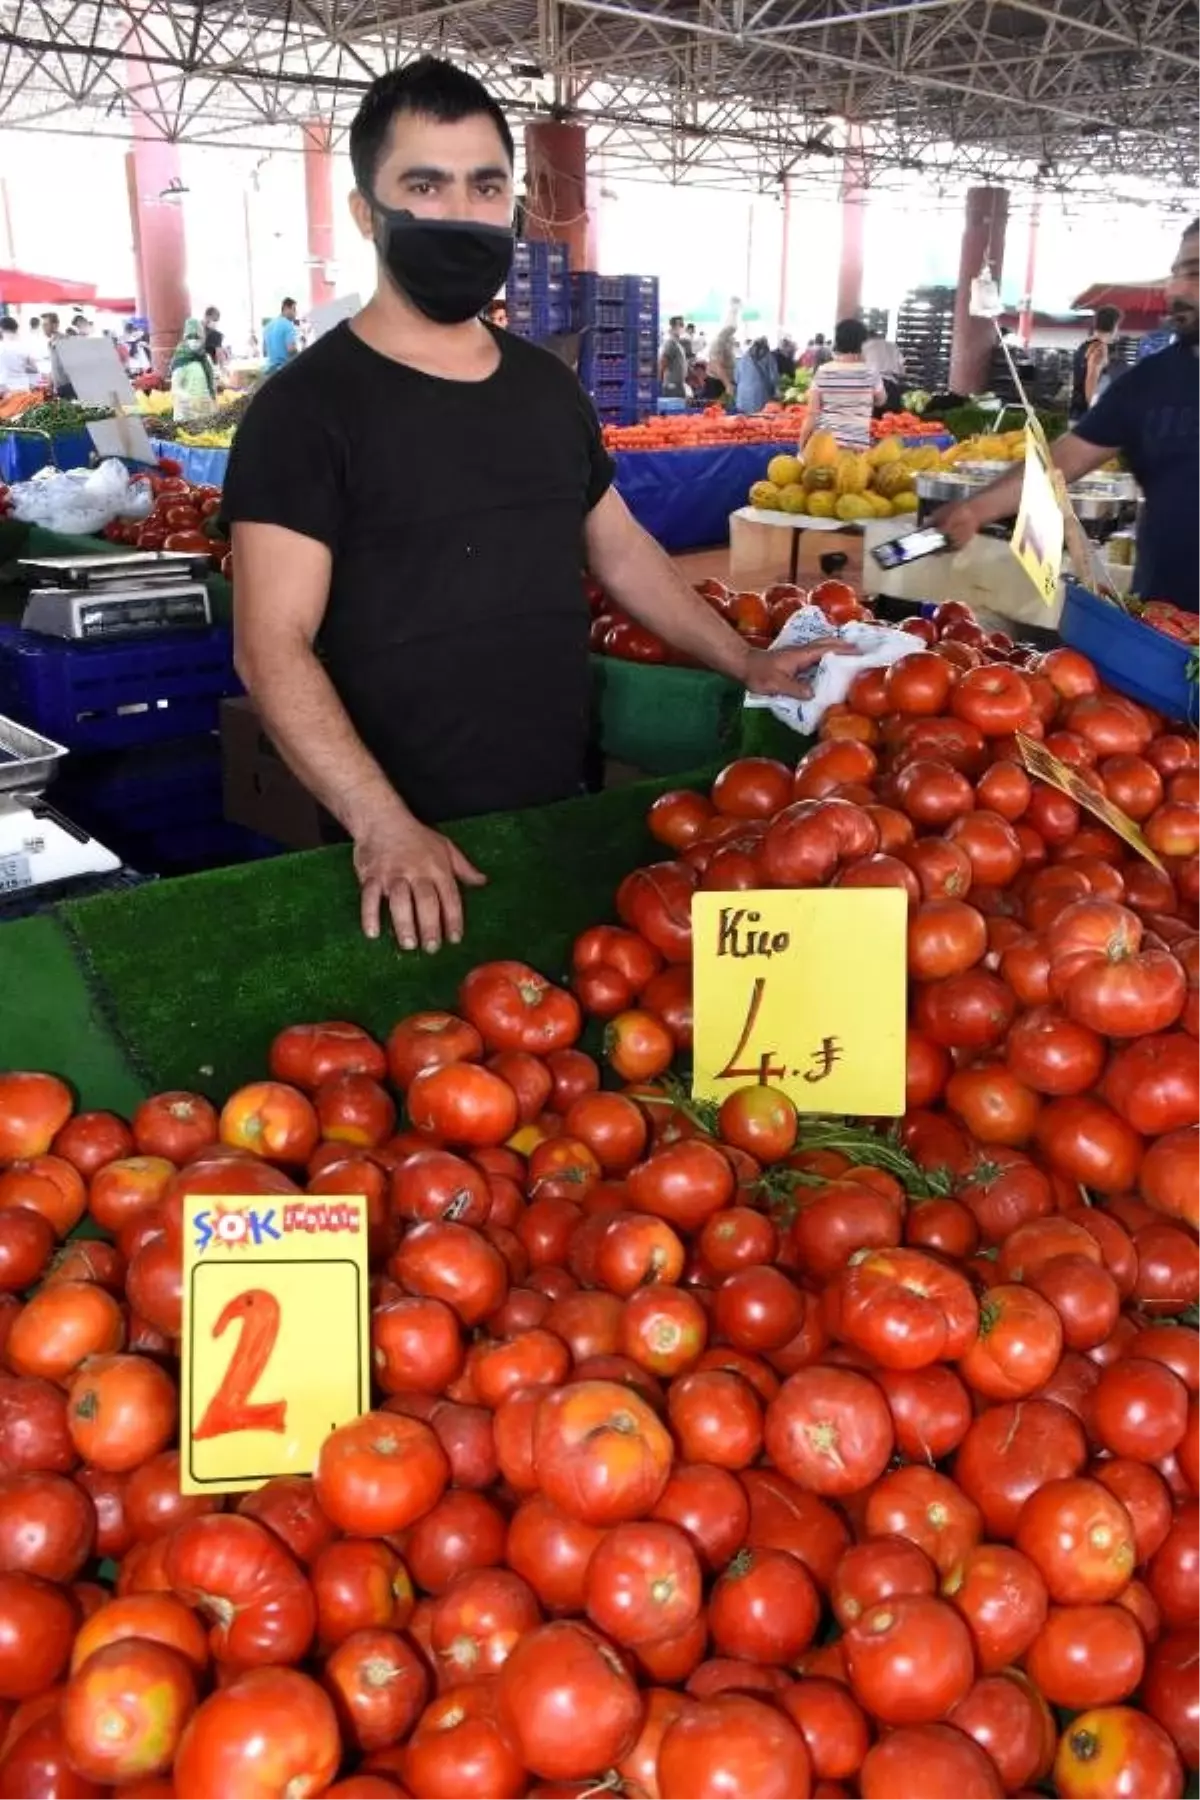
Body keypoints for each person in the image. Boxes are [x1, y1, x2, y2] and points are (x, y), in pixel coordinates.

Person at [223, 56, 843, 954]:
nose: (461, 212)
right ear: (368, 213)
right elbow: (268, 643)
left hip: (558, 793)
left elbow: (620, 550)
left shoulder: (545, 388)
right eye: (424, 184)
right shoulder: (306, 410)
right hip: (403, 843)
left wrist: (741, 660)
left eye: (485, 186)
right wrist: (381, 824)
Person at [935, 218, 1200, 613]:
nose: (1175, 289)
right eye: (1176, 273)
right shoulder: (1148, 382)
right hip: (1170, 630)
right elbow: (1064, 460)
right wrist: (976, 509)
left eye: (1194, 273)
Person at [798, 318, 886, 452]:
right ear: (863, 343)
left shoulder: (824, 371)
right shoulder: (871, 372)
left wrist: (802, 445)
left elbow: (812, 413)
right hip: (857, 449)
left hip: (824, 447)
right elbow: (881, 401)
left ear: (838, 341)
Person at [1070, 303, 1123, 422]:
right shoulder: (1100, 348)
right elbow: (1091, 379)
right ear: (1114, 325)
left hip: (1076, 411)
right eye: (1118, 326)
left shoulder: (1084, 346)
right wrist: (1094, 413)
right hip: (1085, 415)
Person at [169, 317, 218, 422]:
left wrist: (213, 403)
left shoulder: (205, 358)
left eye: (197, 337)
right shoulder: (181, 359)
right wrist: (189, 398)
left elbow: (212, 384)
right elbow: (175, 388)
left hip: (205, 411)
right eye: (190, 337)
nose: (194, 340)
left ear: (203, 338)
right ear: (185, 338)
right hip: (186, 413)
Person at [734, 336, 779, 414]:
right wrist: (776, 391)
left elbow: (736, 378)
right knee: (759, 420)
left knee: (743, 421)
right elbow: (773, 378)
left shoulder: (744, 357)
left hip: (743, 394)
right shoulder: (768, 357)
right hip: (761, 393)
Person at [0, 317, 36, 394]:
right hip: (23, 387)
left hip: (4, 388)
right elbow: (34, 368)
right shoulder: (25, 345)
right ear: (16, 329)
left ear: (1, 329)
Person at [263, 299, 300, 372]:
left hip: (270, 370)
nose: (295, 313)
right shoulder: (288, 324)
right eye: (294, 309)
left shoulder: (268, 326)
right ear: (286, 308)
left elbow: (265, 351)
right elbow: (291, 350)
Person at [659, 316, 688, 398]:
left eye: (683, 324)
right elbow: (663, 362)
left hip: (679, 384)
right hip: (672, 385)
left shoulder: (678, 344)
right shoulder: (670, 343)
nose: (682, 327)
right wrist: (660, 381)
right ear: (673, 326)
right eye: (680, 324)